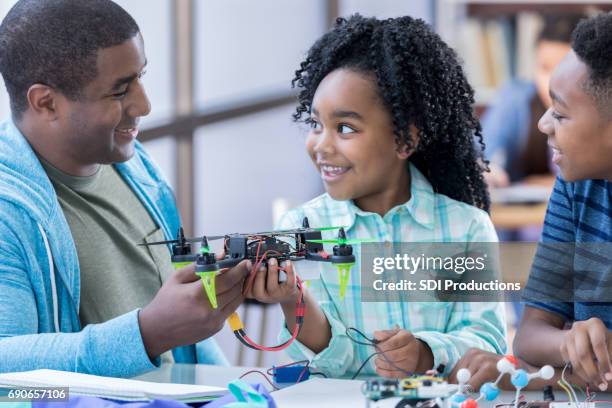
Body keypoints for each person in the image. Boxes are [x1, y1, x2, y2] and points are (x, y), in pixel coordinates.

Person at [245, 15, 506, 379]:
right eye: (316, 124)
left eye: (345, 128)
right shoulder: (301, 229)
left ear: (404, 140)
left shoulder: (466, 229)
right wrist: (294, 301)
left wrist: (425, 353)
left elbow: (488, 343)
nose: (321, 145)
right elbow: (313, 369)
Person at [0, 0, 248, 377]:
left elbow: (187, 340)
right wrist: (146, 334)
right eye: (119, 92)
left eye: (140, 77)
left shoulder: (138, 168)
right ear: (46, 102)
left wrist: (242, 390)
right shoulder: (8, 212)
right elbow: (5, 369)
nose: (144, 105)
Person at [451, 13, 612, 392]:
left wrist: (523, 375)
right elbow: (529, 335)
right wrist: (567, 343)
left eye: (560, 113)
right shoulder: (576, 186)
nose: (544, 124)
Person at [482, 14, 583, 187]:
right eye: (544, 68)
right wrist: (487, 168)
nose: (552, 80)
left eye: (563, 67)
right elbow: (483, 150)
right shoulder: (515, 97)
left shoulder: (596, 112)